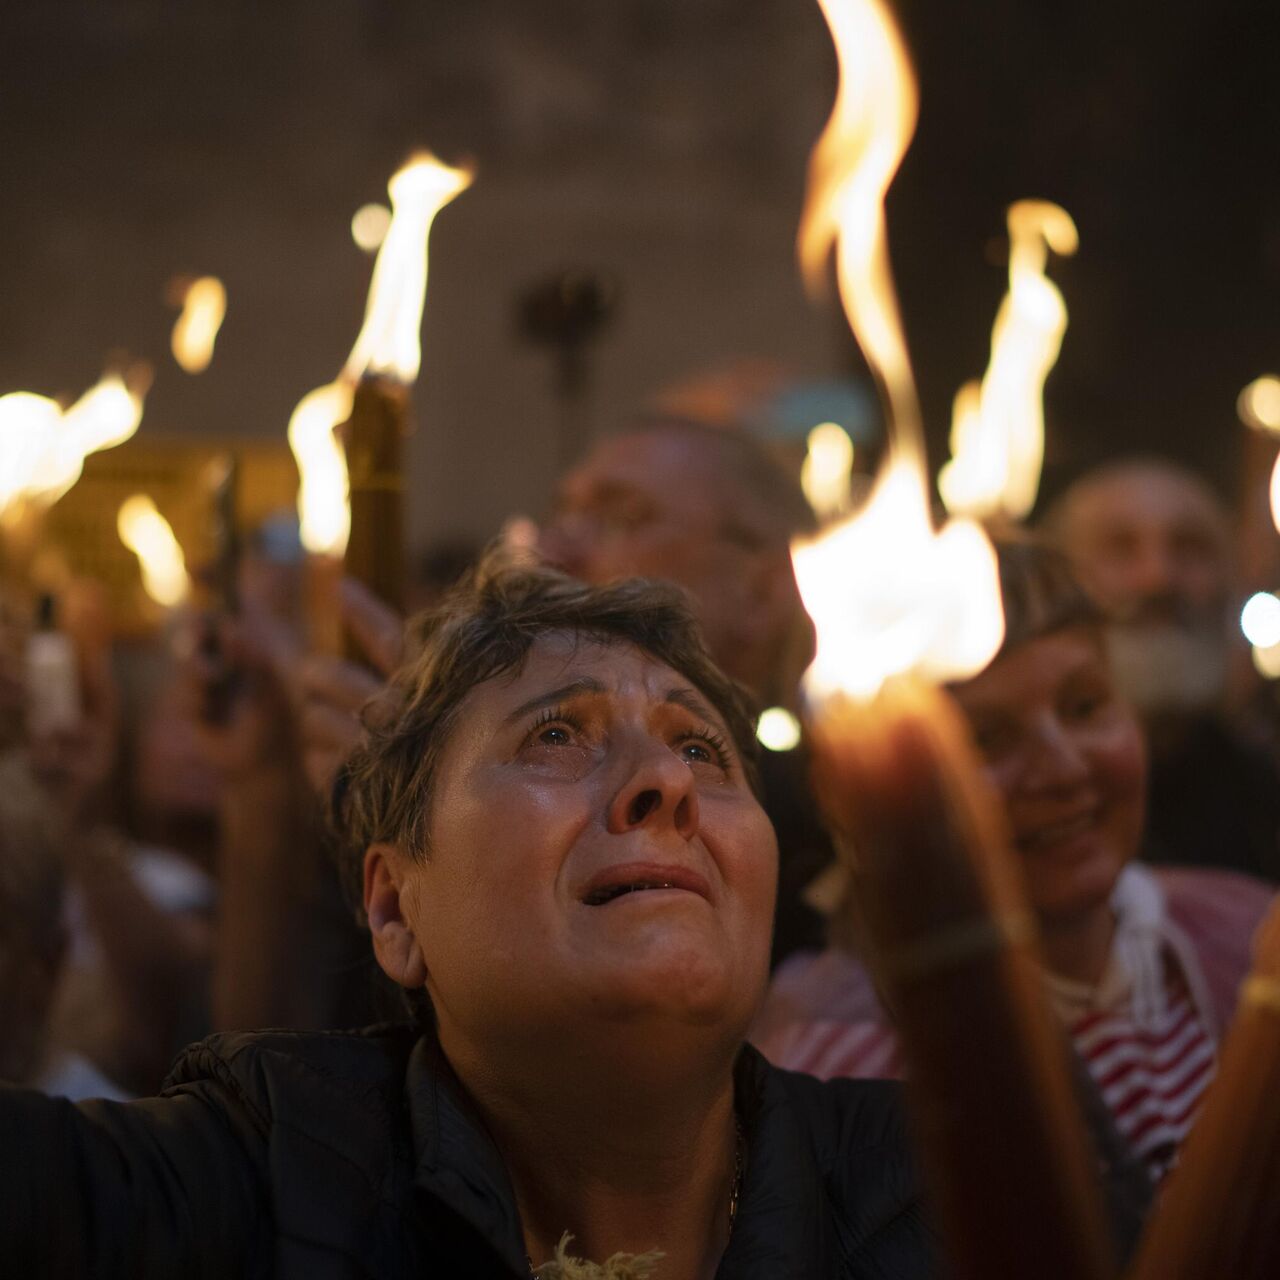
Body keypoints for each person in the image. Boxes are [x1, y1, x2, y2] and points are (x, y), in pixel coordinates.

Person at [0, 556, 933, 1279]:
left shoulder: (947, 1194)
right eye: (557, 735)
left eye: (702, 748)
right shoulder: (256, 1187)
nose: (668, 783)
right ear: (394, 906)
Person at [756, 539, 1274, 1195]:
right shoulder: (843, 1072)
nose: (1061, 767)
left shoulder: (1247, 934)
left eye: (1084, 707)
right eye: (984, 738)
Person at [1048, 457, 1280, 881]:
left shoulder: (1268, 797)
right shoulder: (1030, 800)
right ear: (1061, 581)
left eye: (1190, 548)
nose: (1158, 578)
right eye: (1120, 548)